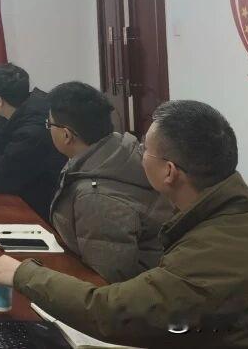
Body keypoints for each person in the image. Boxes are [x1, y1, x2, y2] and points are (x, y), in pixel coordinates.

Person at [0, 101, 248, 348]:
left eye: (144, 148)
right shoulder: (237, 212)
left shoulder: (215, 250)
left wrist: (23, 274)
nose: (137, 153)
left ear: (169, 171)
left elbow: (111, 312)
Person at [44, 82, 171, 282]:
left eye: (49, 124)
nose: (48, 129)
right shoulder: (116, 150)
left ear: (66, 135)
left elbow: (106, 282)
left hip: (134, 292)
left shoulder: (96, 197)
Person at [0, 63, 65, 220]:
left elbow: (1, 178)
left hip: (39, 211)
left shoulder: (32, 129)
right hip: (26, 196)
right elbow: (5, 155)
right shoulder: (18, 112)